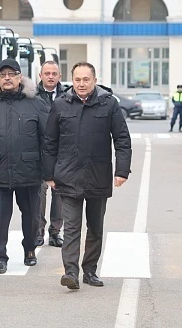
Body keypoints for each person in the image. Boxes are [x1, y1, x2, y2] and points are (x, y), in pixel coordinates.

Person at [43, 62, 132, 290]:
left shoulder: (109, 104)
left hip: (97, 176)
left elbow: (122, 139)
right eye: (77, 80)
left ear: (94, 80)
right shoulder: (61, 104)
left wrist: (121, 170)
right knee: (71, 227)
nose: (81, 84)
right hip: (67, 176)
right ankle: (70, 272)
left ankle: (89, 270)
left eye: (86, 79)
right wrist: (49, 174)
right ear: (72, 80)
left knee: (95, 227)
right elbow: (49, 142)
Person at [0, 59, 45, 273]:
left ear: (20, 77)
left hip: (29, 171)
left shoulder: (36, 104)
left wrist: (48, 170)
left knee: (31, 216)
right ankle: (0, 257)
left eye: (11, 74)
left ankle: (30, 249)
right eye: (2, 75)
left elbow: (47, 139)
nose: (7, 78)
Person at [34, 60, 65, 248]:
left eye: (54, 73)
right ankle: (38, 231)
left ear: (59, 76)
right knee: (39, 192)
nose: (51, 76)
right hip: (39, 152)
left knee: (59, 192)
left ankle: (55, 232)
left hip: (62, 152)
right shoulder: (32, 96)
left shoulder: (68, 95)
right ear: (41, 76)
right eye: (47, 73)